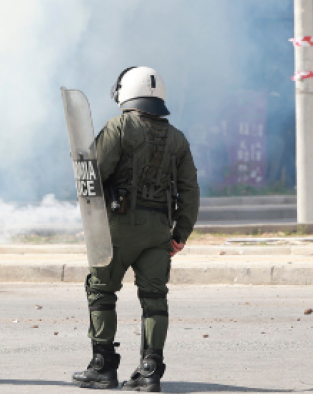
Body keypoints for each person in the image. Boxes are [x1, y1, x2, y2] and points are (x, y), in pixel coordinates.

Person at [74, 66, 200, 392]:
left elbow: (93, 174)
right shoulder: (178, 139)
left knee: (101, 291)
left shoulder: (118, 127)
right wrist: (180, 235)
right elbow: (190, 191)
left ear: (125, 93)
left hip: (117, 229)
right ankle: (149, 371)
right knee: (154, 298)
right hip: (159, 232)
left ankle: (102, 366)